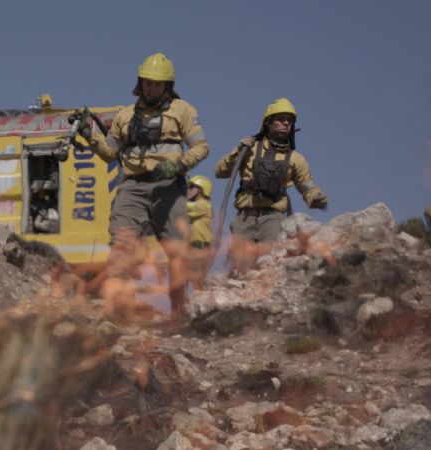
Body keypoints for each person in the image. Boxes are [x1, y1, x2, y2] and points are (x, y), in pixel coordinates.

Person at [77, 52, 210, 315]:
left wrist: (180, 164)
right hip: (132, 186)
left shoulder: (183, 111)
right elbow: (109, 154)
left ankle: (178, 312)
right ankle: (116, 310)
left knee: (176, 249)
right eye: (148, 82)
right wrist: (90, 137)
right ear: (140, 83)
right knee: (121, 246)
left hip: (168, 186)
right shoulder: (125, 116)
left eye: (157, 84)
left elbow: (202, 147)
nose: (151, 88)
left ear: (167, 86)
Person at [215, 98, 327, 271]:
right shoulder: (249, 148)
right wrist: (238, 151)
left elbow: (307, 185)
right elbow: (220, 171)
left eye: (289, 120)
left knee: (269, 264)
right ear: (268, 123)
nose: (286, 123)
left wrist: (316, 197)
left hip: (273, 219)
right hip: (245, 218)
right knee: (240, 268)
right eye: (281, 119)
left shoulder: (296, 159)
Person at [186, 175, 214, 289]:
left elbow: (185, 207)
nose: (188, 189)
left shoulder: (203, 205)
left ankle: (201, 301)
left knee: (196, 279)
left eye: (191, 187)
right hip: (191, 247)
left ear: (202, 190)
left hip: (199, 247)